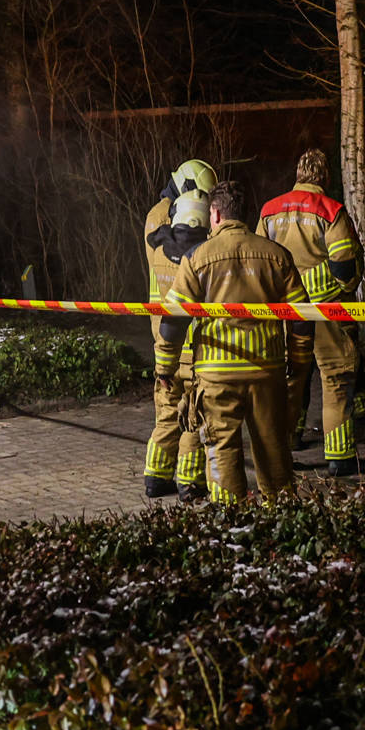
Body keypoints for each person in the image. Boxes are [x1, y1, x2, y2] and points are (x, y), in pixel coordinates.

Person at [158, 180, 313, 503]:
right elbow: (301, 318)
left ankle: (232, 524)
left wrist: (165, 368)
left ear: (214, 214)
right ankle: (282, 519)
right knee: (274, 451)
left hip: (216, 377)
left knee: (222, 450)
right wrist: (298, 365)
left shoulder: (197, 257)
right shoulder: (277, 256)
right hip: (266, 372)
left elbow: (174, 320)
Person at [258, 148, 363, 476]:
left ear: (299, 173)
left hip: (286, 312)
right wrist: (345, 293)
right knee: (336, 378)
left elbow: (261, 260)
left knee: (291, 379)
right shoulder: (330, 209)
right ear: (324, 176)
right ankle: (339, 456)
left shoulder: (269, 210)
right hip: (325, 311)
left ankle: (288, 445)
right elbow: (344, 266)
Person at [142, 159, 216, 497]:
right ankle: (188, 480)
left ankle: (156, 475)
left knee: (169, 408)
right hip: (187, 338)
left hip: (166, 336)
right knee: (190, 413)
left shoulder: (162, 228)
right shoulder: (166, 218)